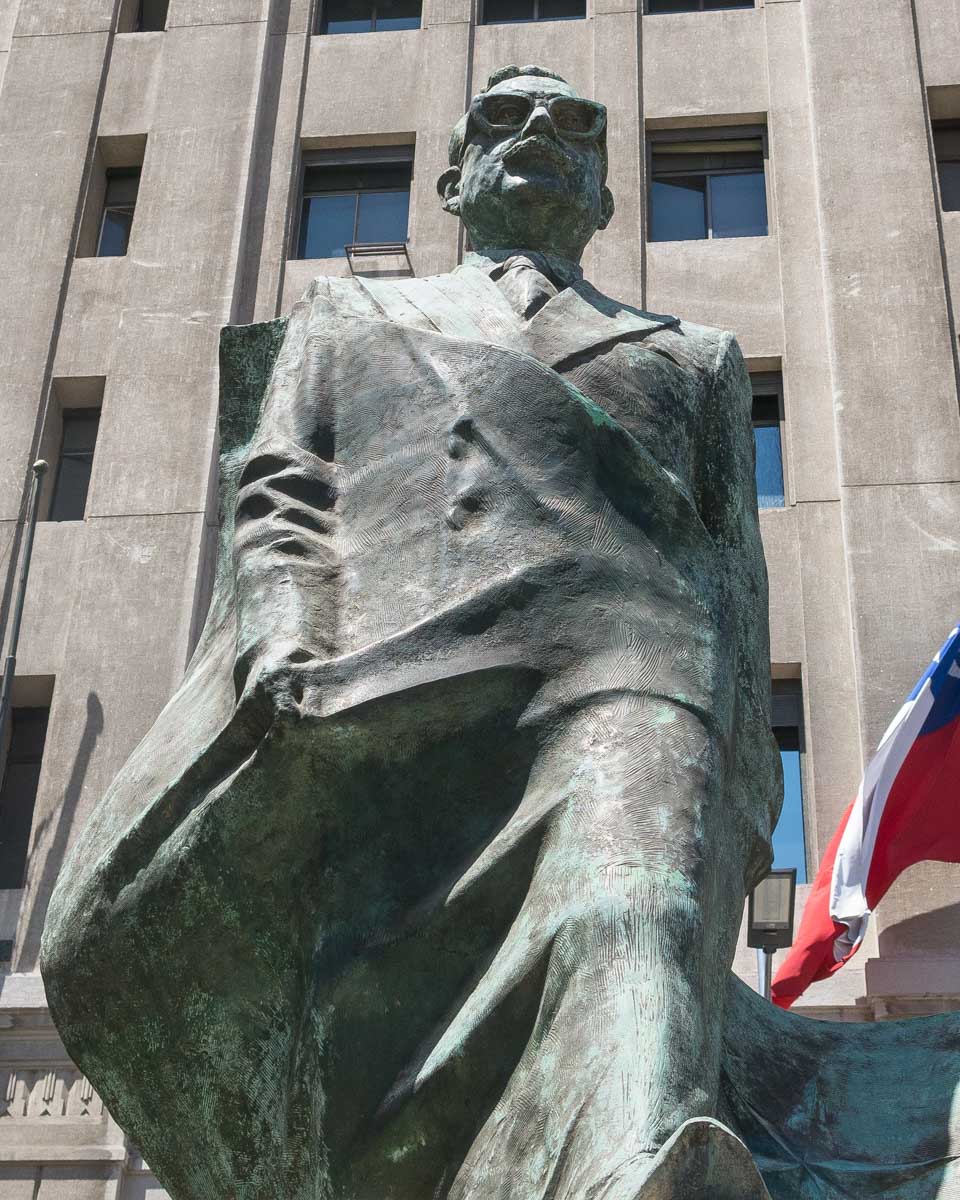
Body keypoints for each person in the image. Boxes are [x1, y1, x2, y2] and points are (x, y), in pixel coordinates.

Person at [42, 66, 782, 1199]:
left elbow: (732, 585)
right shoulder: (351, 318)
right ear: (449, 175)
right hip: (400, 672)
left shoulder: (692, 357)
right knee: (365, 1013)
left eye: (574, 124)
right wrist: (281, 640)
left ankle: (643, 1161)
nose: (540, 130)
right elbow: (282, 487)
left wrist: (747, 808)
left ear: (604, 193)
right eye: (504, 116)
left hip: (630, 659)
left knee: (638, 906)